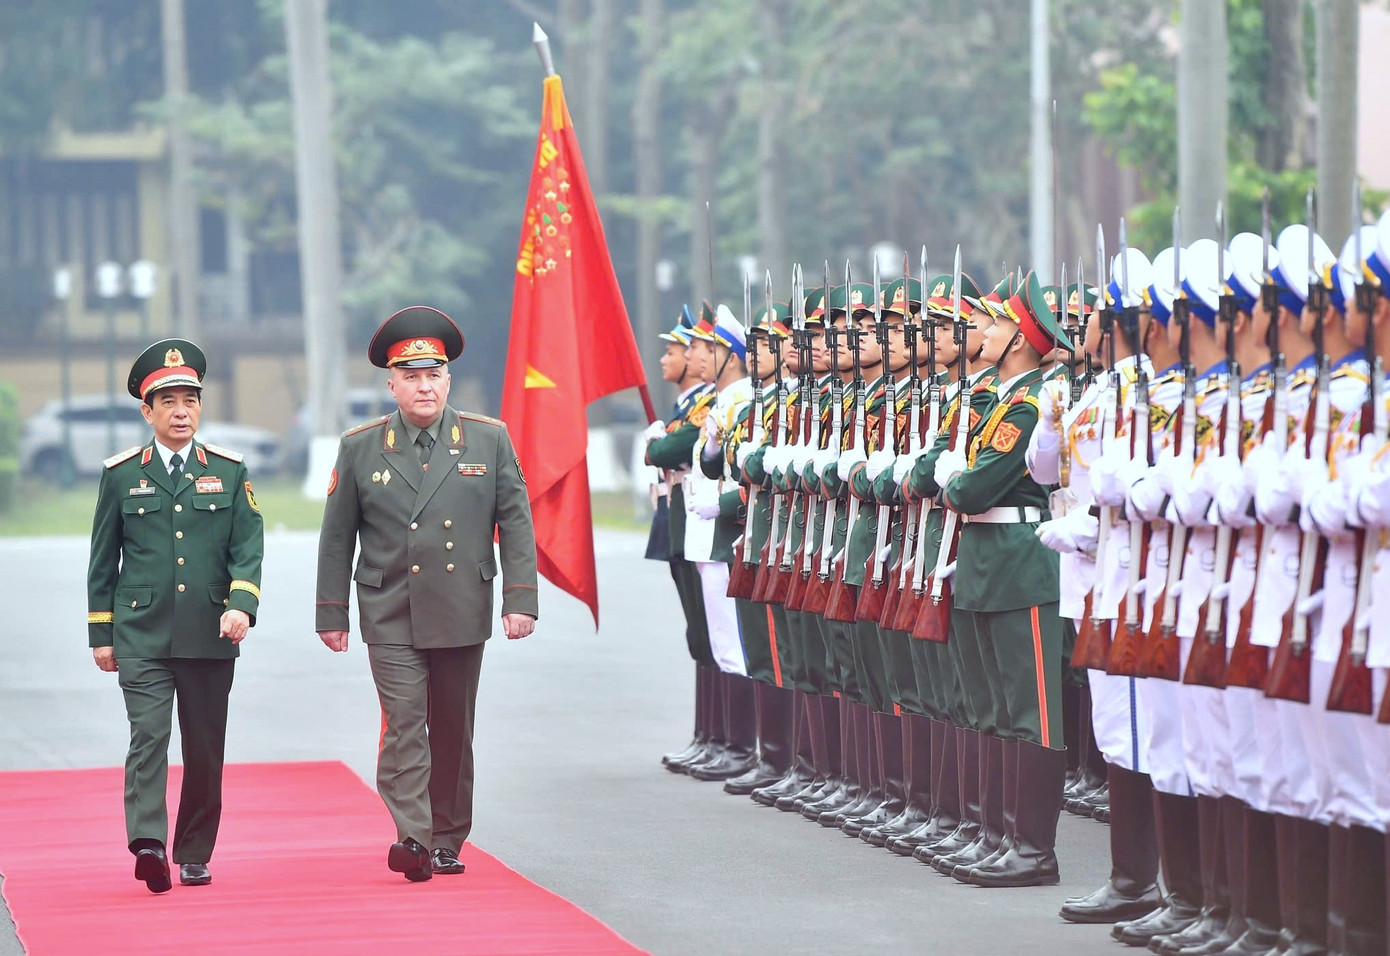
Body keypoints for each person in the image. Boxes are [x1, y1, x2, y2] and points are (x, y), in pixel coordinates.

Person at [315, 305, 537, 883]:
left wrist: (520, 599)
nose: (423, 386)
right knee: (406, 722)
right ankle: (412, 835)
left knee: (452, 728)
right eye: (410, 376)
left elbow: (515, 521)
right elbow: (337, 537)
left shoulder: (487, 440)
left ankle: (446, 836)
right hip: (389, 609)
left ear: (447, 380)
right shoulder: (362, 447)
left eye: (432, 374)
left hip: (462, 605)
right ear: (391, 385)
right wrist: (331, 611)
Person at [87, 337, 264, 893]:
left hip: (210, 633)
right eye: (168, 402)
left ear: (200, 407)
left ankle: (193, 852)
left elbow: (248, 546)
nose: (181, 411)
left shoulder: (230, 472)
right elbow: (102, 558)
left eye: (190, 400)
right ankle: (147, 843)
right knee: (148, 737)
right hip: (140, 632)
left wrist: (242, 606)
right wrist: (102, 633)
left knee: (206, 746)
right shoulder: (121, 476)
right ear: (148, 411)